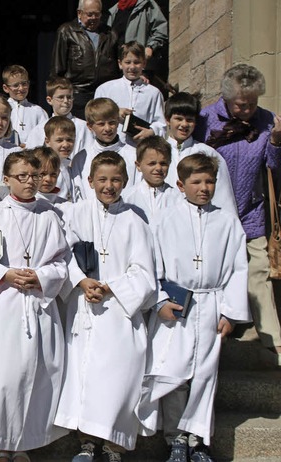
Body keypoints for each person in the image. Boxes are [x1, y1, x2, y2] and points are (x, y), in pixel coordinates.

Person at [139, 154, 250, 462]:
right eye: (196, 182)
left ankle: (197, 440)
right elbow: (152, 265)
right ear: (180, 184)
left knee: (204, 373)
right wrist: (159, 300)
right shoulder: (164, 220)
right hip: (177, 305)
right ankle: (175, 437)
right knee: (173, 372)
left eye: (210, 181)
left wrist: (231, 312)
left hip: (212, 303)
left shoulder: (227, 222)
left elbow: (239, 268)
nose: (204, 188)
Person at [0, 150, 70, 462]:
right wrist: (4, 273)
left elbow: (61, 262)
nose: (29, 182)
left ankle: (22, 444)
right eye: (21, 176)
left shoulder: (49, 216)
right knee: (0, 377)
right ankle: (0, 444)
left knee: (32, 376)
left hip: (36, 306)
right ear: (6, 180)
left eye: (34, 176)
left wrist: (41, 275)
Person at [54, 151, 156, 462]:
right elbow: (62, 255)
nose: (108, 186)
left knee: (118, 381)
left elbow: (144, 272)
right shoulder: (75, 213)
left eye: (115, 180)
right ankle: (86, 444)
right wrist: (82, 282)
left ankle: (114, 447)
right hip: (84, 307)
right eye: (102, 179)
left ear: (125, 181)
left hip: (119, 313)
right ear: (90, 181)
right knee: (86, 379)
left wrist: (111, 286)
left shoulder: (135, 221)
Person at [194, 64, 281, 364]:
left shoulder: (267, 120)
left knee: (259, 272)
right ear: (227, 99)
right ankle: (216, 337)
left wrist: (276, 141)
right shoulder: (206, 118)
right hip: (214, 210)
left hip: (251, 209)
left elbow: (274, 166)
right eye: (242, 105)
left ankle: (273, 341)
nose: (248, 110)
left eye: (253, 103)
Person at [164, 92, 237, 217]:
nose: (184, 124)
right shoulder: (157, 152)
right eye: (179, 118)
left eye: (190, 120)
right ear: (167, 120)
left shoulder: (208, 153)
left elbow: (224, 199)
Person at [50, 0, 121, 119]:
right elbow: (57, 68)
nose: (93, 18)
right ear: (79, 13)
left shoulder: (110, 33)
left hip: (105, 94)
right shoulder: (67, 31)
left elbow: (120, 63)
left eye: (97, 14)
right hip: (78, 94)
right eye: (90, 14)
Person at [94, 41, 167, 145]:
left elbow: (161, 124)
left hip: (140, 148)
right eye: (127, 62)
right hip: (112, 147)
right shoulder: (105, 89)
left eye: (137, 62)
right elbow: (94, 117)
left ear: (144, 64)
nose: (132, 67)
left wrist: (151, 131)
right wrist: (114, 112)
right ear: (120, 64)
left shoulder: (154, 93)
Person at [70, 98, 138, 201]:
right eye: (101, 124)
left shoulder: (133, 155)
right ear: (89, 126)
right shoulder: (81, 159)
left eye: (112, 123)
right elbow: (78, 196)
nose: (107, 128)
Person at [107, 0, 168, 87]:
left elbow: (160, 30)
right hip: (119, 68)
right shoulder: (115, 11)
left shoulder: (147, 5)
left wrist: (151, 46)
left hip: (140, 67)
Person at [122, 135, 180, 223]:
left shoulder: (178, 198)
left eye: (163, 163)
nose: (158, 168)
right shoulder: (127, 198)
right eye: (152, 163)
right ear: (138, 166)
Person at [26, 76, 91, 153]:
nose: (66, 101)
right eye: (61, 97)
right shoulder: (39, 129)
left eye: (69, 97)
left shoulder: (83, 127)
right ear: (49, 100)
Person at [2, 64, 48, 146]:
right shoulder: (2, 108)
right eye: (16, 85)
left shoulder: (37, 111)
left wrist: (28, 145)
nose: (21, 88)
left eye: (24, 84)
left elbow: (44, 135)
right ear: (6, 88)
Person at [44, 116, 77, 201]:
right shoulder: (43, 169)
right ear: (48, 141)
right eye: (59, 140)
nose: (65, 145)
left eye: (69, 140)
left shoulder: (69, 166)